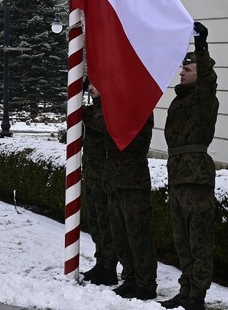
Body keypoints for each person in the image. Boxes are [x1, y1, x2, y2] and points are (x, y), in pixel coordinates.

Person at [159, 22, 219, 310]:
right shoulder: (179, 101)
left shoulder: (204, 99)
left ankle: (197, 296)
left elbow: (207, 79)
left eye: (188, 69)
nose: (181, 72)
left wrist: (202, 46)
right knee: (182, 241)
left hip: (196, 179)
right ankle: (186, 290)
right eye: (183, 69)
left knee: (199, 242)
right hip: (178, 176)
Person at [87, 81, 158, 301]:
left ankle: (145, 283)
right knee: (120, 234)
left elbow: (107, 124)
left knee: (137, 234)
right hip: (114, 178)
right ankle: (130, 278)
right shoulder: (117, 108)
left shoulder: (139, 108)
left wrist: (93, 106)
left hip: (132, 179)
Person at [80, 80, 118, 287]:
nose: (93, 87)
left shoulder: (109, 109)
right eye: (91, 84)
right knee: (95, 222)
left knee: (105, 223)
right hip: (92, 174)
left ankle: (109, 267)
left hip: (104, 175)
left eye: (97, 83)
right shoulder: (93, 109)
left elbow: (104, 126)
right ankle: (100, 262)